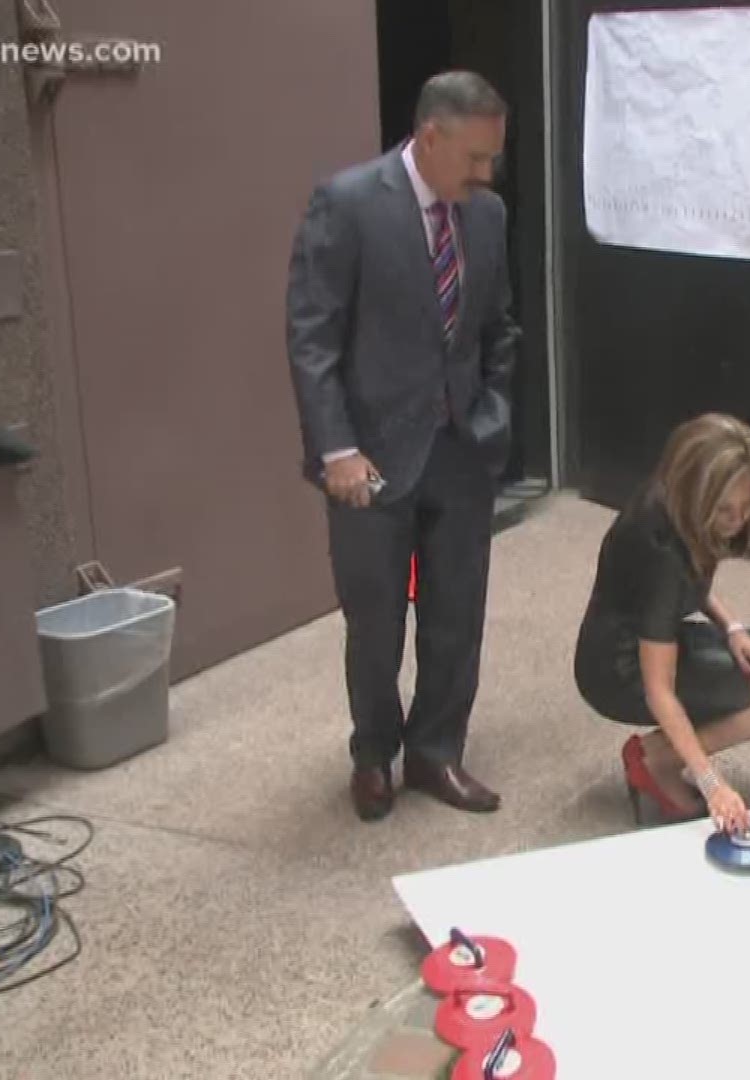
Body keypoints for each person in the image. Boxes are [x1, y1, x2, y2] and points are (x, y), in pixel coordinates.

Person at [285, 71, 519, 822]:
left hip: (461, 447)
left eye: (493, 161)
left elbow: (499, 329)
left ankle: (436, 751)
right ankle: (373, 752)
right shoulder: (349, 203)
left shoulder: (486, 216)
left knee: (458, 612)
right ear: (430, 137)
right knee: (376, 618)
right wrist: (335, 450)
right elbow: (312, 338)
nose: (486, 176)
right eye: (475, 158)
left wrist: (498, 413)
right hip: (371, 458)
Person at [574, 413, 750, 835]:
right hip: (618, 669)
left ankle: (664, 753)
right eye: (725, 510)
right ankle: (658, 758)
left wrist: (734, 628)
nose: (738, 521)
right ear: (698, 497)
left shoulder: (673, 498)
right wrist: (713, 784)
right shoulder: (661, 552)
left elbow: (693, 579)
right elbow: (659, 690)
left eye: (746, 507)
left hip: (646, 632)